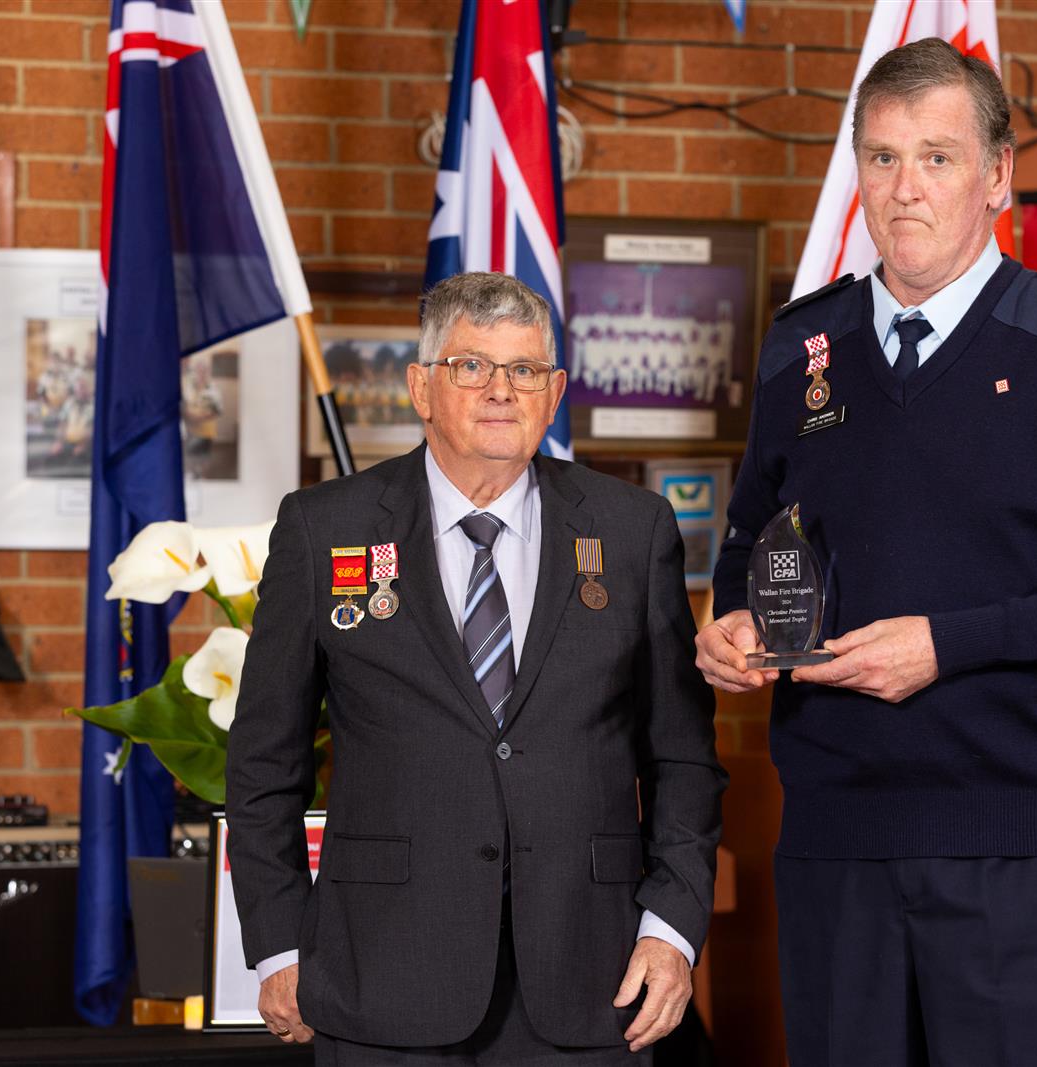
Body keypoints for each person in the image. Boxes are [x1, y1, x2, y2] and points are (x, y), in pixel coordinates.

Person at [696, 39, 1037, 1067]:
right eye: (881, 159)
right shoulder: (805, 344)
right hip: (835, 837)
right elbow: (756, 533)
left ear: (996, 176)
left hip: (1013, 844)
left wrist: (949, 644)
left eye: (936, 157)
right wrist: (740, 617)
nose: (904, 190)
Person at [227, 272, 726, 1065]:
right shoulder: (326, 528)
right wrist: (279, 944)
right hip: (378, 979)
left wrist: (671, 929)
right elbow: (261, 763)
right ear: (421, 387)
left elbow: (684, 760)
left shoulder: (634, 530)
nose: (502, 390)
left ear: (555, 390)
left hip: (591, 980)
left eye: (525, 370)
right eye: (472, 367)